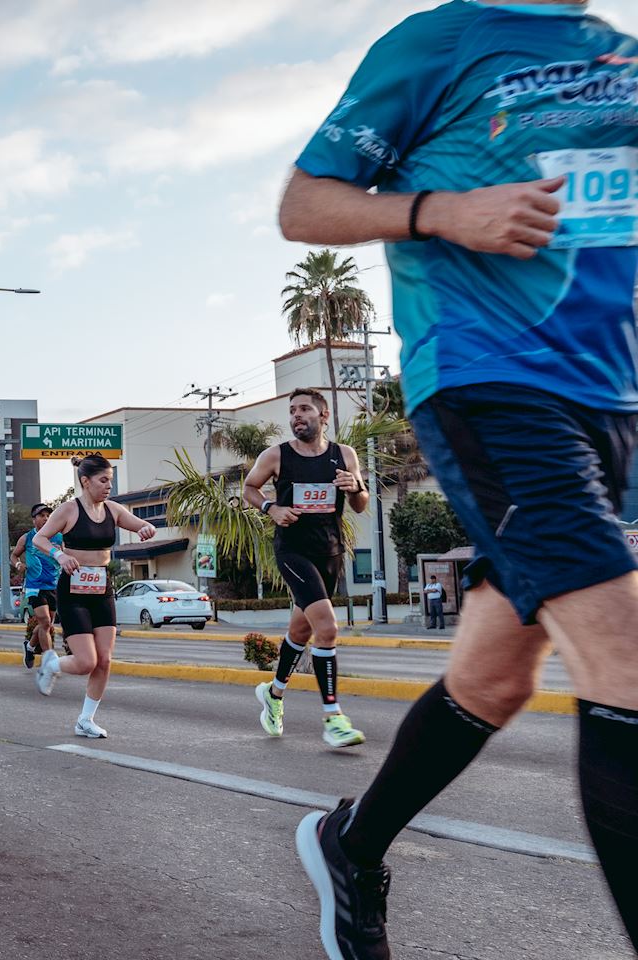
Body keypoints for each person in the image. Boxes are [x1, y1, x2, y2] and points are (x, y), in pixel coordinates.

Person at [279, 3, 638, 955]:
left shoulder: (618, 50)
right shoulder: (442, 40)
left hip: (613, 395)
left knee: (496, 675)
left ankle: (349, 847)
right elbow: (304, 203)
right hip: (493, 378)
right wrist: (443, 212)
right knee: (629, 662)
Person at [243, 388, 369, 749]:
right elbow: (250, 488)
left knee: (300, 631)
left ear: (323, 416)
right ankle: (334, 718)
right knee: (326, 628)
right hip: (292, 551)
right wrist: (271, 508)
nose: (297, 416)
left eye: (305, 410)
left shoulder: (344, 455)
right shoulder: (276, 455)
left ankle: (274, 693)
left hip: (329, 552)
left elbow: (359, 505)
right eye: (292, 411)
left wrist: (356, 486)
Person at [31, 456, 157, 736]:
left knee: (105, 660)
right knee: (86, 661)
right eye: (103, 480)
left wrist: (147, 529)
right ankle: (51, 664)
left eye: (110, 480)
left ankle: (85, 720)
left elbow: (140, 525)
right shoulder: (68, 511)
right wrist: (59, 554)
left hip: (102, 590)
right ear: (85, 481)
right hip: (73, 591)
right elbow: (39, 539)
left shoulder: (113, 510)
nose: (108, 486)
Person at [11, 503, 63, 669]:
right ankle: (50, 661)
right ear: (34, 519)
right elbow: (14, 556)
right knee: (45, 621)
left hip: (53, 586)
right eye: (41, 516)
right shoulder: (27, 538)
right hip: (34, 586)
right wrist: (18, 565)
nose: (45, 518)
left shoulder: (59, 537)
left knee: (46, 625)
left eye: (48, 515)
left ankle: (30, 646)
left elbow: (68, 554)